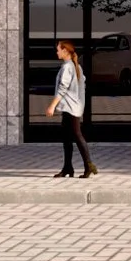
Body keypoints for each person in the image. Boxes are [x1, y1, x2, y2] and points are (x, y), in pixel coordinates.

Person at [48, 39, 95, 179]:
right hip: (72, 107)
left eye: (58, 49)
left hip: (70, 108)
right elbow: (82, 85)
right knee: (67, 138)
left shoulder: (68, 67)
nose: (56, 52)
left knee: (77, 136)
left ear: (65, 51)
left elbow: (63, 88)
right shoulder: (76, 66)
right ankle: (67, 168)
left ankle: (89, 166)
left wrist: (52, 106)